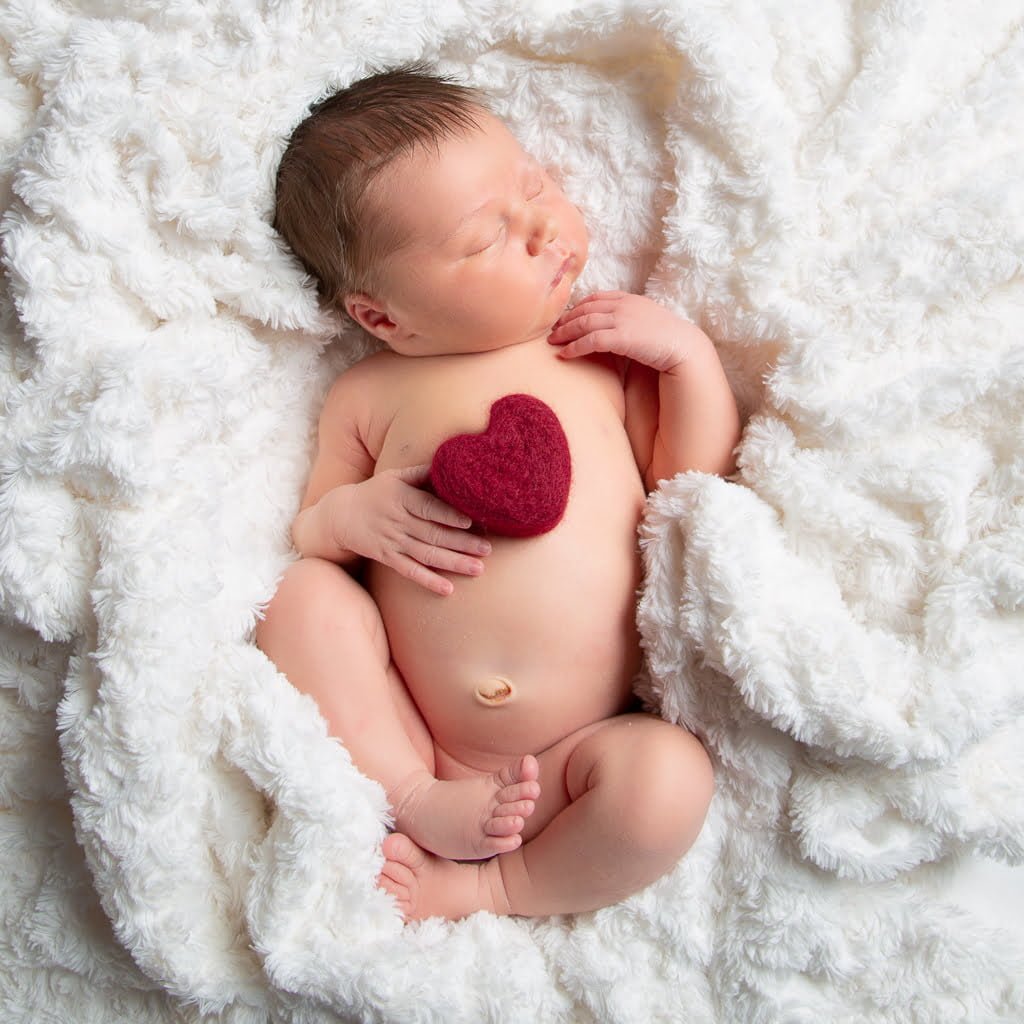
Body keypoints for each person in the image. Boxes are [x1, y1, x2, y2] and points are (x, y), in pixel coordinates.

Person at [257, 66, 741, 921]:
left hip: (571, 753)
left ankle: (497, 885)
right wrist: (349, 517)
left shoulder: (593, 355)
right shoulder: (365, 395)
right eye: (487, 240)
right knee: (295, 600)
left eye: (537, 185)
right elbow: (313, 533)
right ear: (383, 318)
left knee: (669, 780)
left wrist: (689, 362)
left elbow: (685, 485)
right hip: (416, 731)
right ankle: (411, 794)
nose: (542, 225)